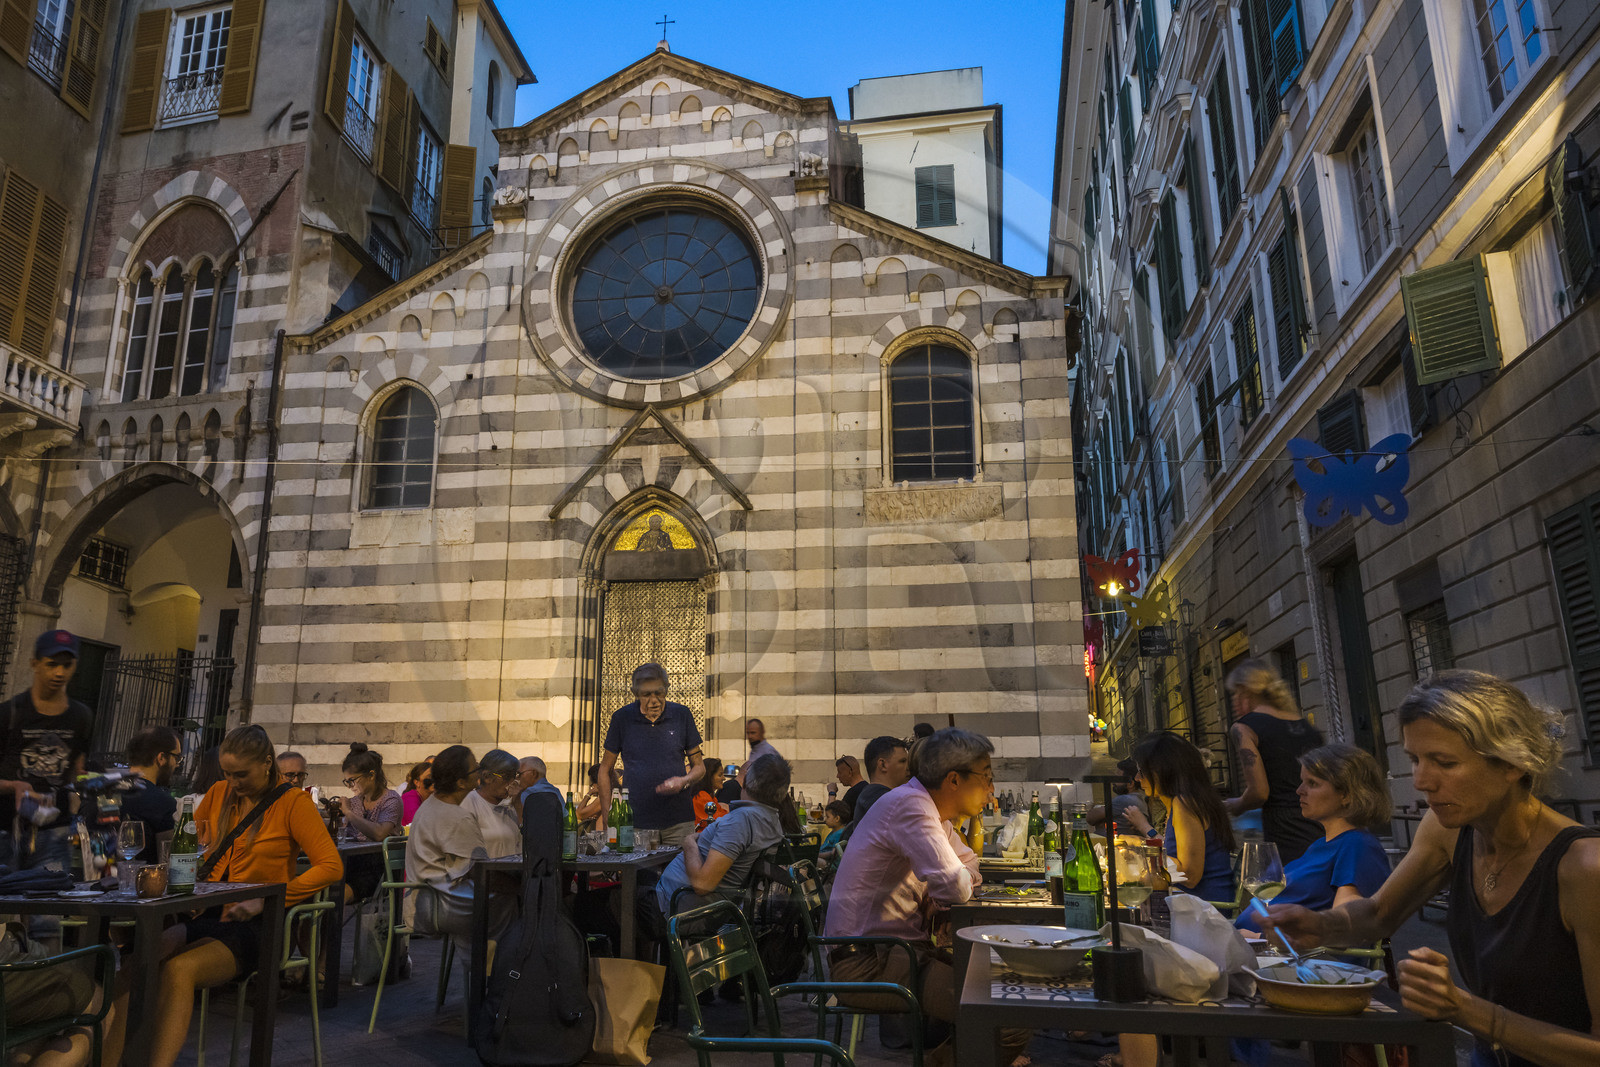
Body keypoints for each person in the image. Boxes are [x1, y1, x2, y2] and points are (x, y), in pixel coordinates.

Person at [1263, 671, 1600, 1067]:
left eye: (1445, 762)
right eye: (1415, 759)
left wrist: (1464, 1008)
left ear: (1513, 763)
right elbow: (1378, 913)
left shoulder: (1584, 868)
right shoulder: (1448, 831)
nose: (1422, 781)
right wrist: (1321, 925)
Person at [140, 724, 341, 1067]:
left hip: (259, 925)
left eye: (241, 774)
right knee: (141, 960)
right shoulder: (219, 793)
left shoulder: (292, 802)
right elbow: (193, 847)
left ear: (267, 763)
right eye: (227, 774)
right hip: (207, 914)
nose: (233, 783)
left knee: (178, 970)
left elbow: (331, 866)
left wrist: (267, 899)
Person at [826, 728, 1027, 1067]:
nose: (991, 789)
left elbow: (968, 865)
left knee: (1008, 987)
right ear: (953, 780)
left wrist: (945, 886)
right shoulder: (911, 807)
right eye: (986, 778)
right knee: (1007, 1016)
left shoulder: (932, 813)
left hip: (898, 952)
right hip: (865, 964)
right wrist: (944, 888)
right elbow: (954, 886)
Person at [1234, 743, 1392, 934]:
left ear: (1346, 795)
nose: (1299, 790)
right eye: (1302, 781)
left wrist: (1259, 939)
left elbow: (1347, 926)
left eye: (1313, 783)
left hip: (1282, 957)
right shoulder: (1320, 846)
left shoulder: (1357, 846)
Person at [0, 630, 94, 871]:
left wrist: (97, 783)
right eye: (52, 664)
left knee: (47, 901)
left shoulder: (80, 717)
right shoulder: (10, 713)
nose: (60, 673)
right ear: (35, 664)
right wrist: (15, 786)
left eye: (67, 665)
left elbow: (76, 770)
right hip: (4, 828)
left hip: (53, 832)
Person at [406, 746, 515, 946]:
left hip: (423, 898)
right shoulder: (457, 816)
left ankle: (478, 962)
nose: (480, 771)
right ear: (461, 782)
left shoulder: (430, 805)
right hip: (440, 903)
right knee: (510, 902)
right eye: (475, 768)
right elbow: (480, 871)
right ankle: (489, 968)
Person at [654, 752, 788, 914]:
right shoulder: (771, 820)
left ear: (745, 782)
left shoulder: (741, 821)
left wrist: (689, 843)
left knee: (622, 897)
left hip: (678, 907)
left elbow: (702, 885)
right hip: (701, 907)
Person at [1223, 658, 1324, 863]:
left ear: (1245, 691)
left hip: (1284, 827)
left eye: (1235, 693)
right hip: (1319, 822)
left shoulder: (1244, 728)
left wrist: (1236, 805)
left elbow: (1259, 792)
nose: (1234, 701)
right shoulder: (1307, 727)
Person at [599, 663, 706, 846]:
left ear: (666, 689)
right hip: (638, 823)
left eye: (659, 693)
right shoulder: (621, 719)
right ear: (636, 694)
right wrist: (608, 814)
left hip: (679, 821)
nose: (654, 700)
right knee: (641, 874)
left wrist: (683, 781)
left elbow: (700, 767)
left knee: (678, 873)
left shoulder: (682, 715)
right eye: (646, 695)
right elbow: (604, 769)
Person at [1133, 731, 1236, 901]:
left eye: (1142, 771)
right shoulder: (1188, 800)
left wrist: (1140, 857)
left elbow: (1189, 875)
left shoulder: (1185, 804)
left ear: (1162, 771)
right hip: (1194, 905)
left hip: (1204, 912)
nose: (1137, 778)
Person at [337, 742, 402, 903]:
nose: (350, 786)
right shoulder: (357, 801)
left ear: (371, 775)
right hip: (353, 863)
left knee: (335, 895)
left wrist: (349, 814)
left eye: (352, 780)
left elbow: (379, 833)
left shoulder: (391, 800)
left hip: (379, 869)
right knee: (321, 886)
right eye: (347, 782)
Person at [121, 725, 183, 863]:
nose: (176, 764)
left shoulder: (106, 791)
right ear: (161, 758)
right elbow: (167, 860)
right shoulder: (162, 802)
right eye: (176, 757)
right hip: (144, 881)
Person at [840, 735, 910, 842]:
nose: (909, 766)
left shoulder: (873, 795)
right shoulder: (882, 799)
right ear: (882, 765)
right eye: (903, 761)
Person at [461, 749, 522, 858]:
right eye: (507, 777)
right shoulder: (469, 802)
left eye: (515, 776)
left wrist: (517, 804)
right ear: (487, 777)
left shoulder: (510, 806)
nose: (512, 782)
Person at [1087, 757, 1154, 837]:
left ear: (1130, 784)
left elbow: (1090, 818)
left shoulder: (1125, 800)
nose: (1113, 781)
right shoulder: (1137, 799)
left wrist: (1101, 820)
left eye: (1117, 778)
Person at [736, 719, 779, 786]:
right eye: (748, 733)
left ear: (762, 732)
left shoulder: (768, 751)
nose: (750, 736)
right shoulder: (754, 750)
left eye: (753, 733)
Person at [692, 757, 729, 829]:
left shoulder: (710, 797)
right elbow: (720, 820)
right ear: (709, 776)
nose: (724, 778)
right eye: (720, 775)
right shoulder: (701, 796)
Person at [401, 760, 433, 826]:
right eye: (429, 777)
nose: (434, 780)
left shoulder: (434, 798)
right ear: (417, 782)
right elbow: (417, 824)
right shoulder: (409, 798)